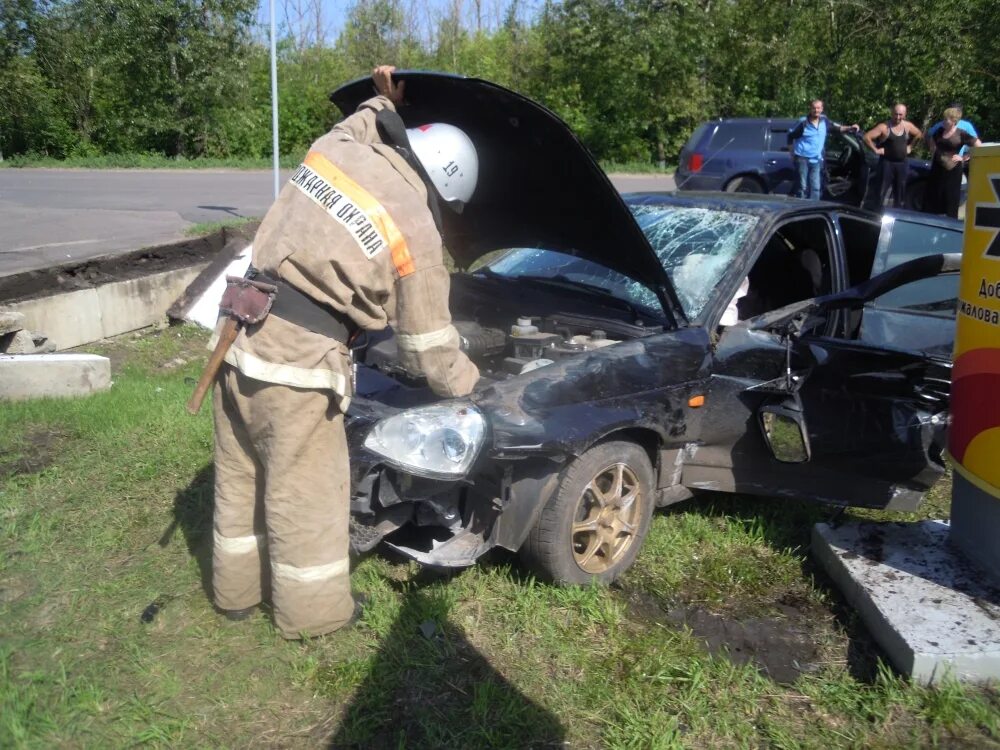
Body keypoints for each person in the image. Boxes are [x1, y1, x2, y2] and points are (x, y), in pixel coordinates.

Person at [209, 65, 480, 638]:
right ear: (442, 187)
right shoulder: (418, 230)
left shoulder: (336, 149)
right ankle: (314, 616)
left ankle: (234, 595)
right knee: (304, 491)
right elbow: (429, 347)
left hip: (236, 333)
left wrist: (381, 104)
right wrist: (472, 386)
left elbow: (359, 127)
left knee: (239, 473)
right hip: (296, 364)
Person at [787, 99, 860, 200]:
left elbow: (837, 128)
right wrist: (792, 154)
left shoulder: (824, 121)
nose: (816, 110)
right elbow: (790, 136)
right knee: (803, 188)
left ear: (822, 109)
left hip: (816, 159)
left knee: (816, 188)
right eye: (814, 108)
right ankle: (801, 210)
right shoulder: (803, 122)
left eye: (818, 108)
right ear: (810, 109)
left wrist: (850, 128)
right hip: (802, 158)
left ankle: (814, 210)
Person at [925, 106, 981, 219]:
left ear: (954, 121)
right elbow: (929, 136)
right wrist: (933, 150)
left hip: (953, 170)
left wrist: (964, 157)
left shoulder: (961, 134)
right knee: (933, 196)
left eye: (947, 119)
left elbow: (978, 145)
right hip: (937, 168)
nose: (944, 122)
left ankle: (950, 222)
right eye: (944, 119)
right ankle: (931, 220)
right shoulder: (940, 131)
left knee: (951, 197)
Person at [863, 103, 923, 208]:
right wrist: (875, 150)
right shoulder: (884, 127)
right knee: (881, 192)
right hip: (887, 163)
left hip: (902, 164)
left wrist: (910, 147)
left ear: (905, 115)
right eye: (896, 114)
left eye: (901, 115)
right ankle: (876, 213)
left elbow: (919, 134)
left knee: (900, 193)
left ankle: (897, 215)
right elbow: (867, 137)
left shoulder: (907, 126)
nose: (898, 117)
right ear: (892, 113)